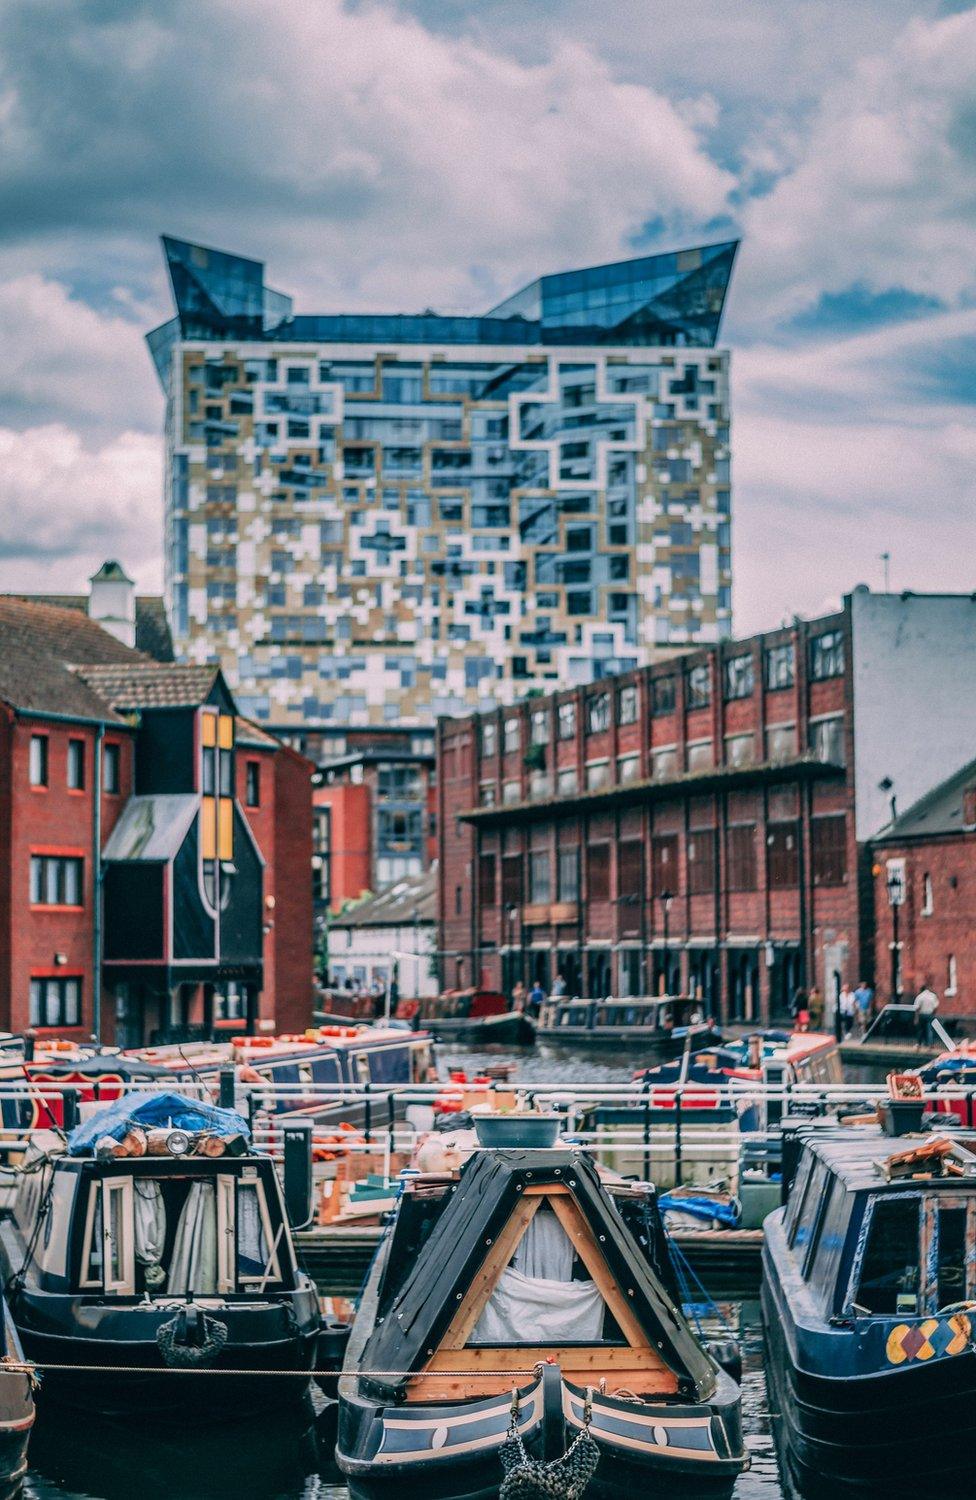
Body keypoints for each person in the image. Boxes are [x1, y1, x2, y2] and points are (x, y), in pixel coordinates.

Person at [913, 981, 939, 1046]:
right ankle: (930, 1044)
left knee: (920, 1029)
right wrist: (933, 1013)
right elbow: (935, 1006)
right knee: (929, 1029)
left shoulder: (920, 996)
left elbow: (917, 1008)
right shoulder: (933, 996)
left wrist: (916, 1018)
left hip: (922, 1014)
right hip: (930, 1014)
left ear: (921, 990)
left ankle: (919, 1043)